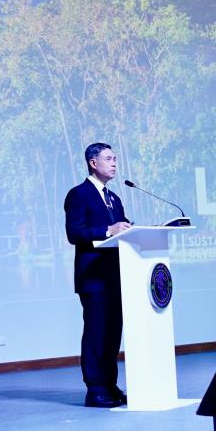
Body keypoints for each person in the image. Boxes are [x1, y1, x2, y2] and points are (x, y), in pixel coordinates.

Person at [64, 142, 132, 407]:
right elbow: (75, 233)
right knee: (96, 334)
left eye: (115, 159)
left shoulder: (114, 197)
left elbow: (120, 231)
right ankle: (95, 390)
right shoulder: (79, 194)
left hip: (116, 277)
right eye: (109, 159)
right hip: (93, 278)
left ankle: (110, 385)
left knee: (112, 335)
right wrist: (107, 230)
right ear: (93, 163)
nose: (114, 163)